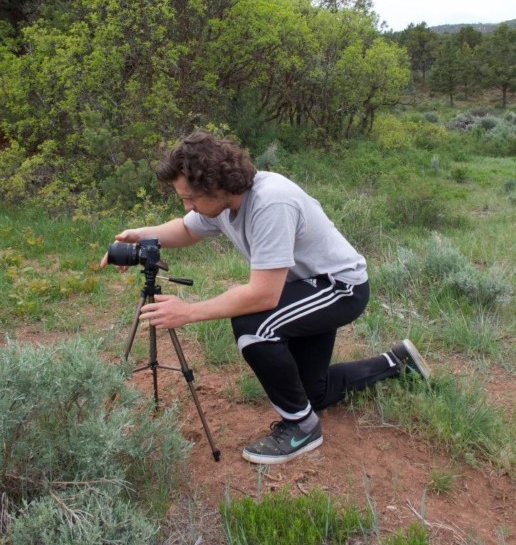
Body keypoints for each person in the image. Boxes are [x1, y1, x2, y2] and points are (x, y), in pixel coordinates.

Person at [101, 131, 431, 465]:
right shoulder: (224, 202)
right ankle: (397, 362)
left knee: (253, 326)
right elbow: (187, 229)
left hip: (338, 288)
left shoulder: (270, 202)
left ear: (215, 184)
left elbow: (263, 295)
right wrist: (139, 236)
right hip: (304, 287)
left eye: (190, 198)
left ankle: (301, 427)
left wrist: (188, 312)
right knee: (310, 392)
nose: (188, 206)